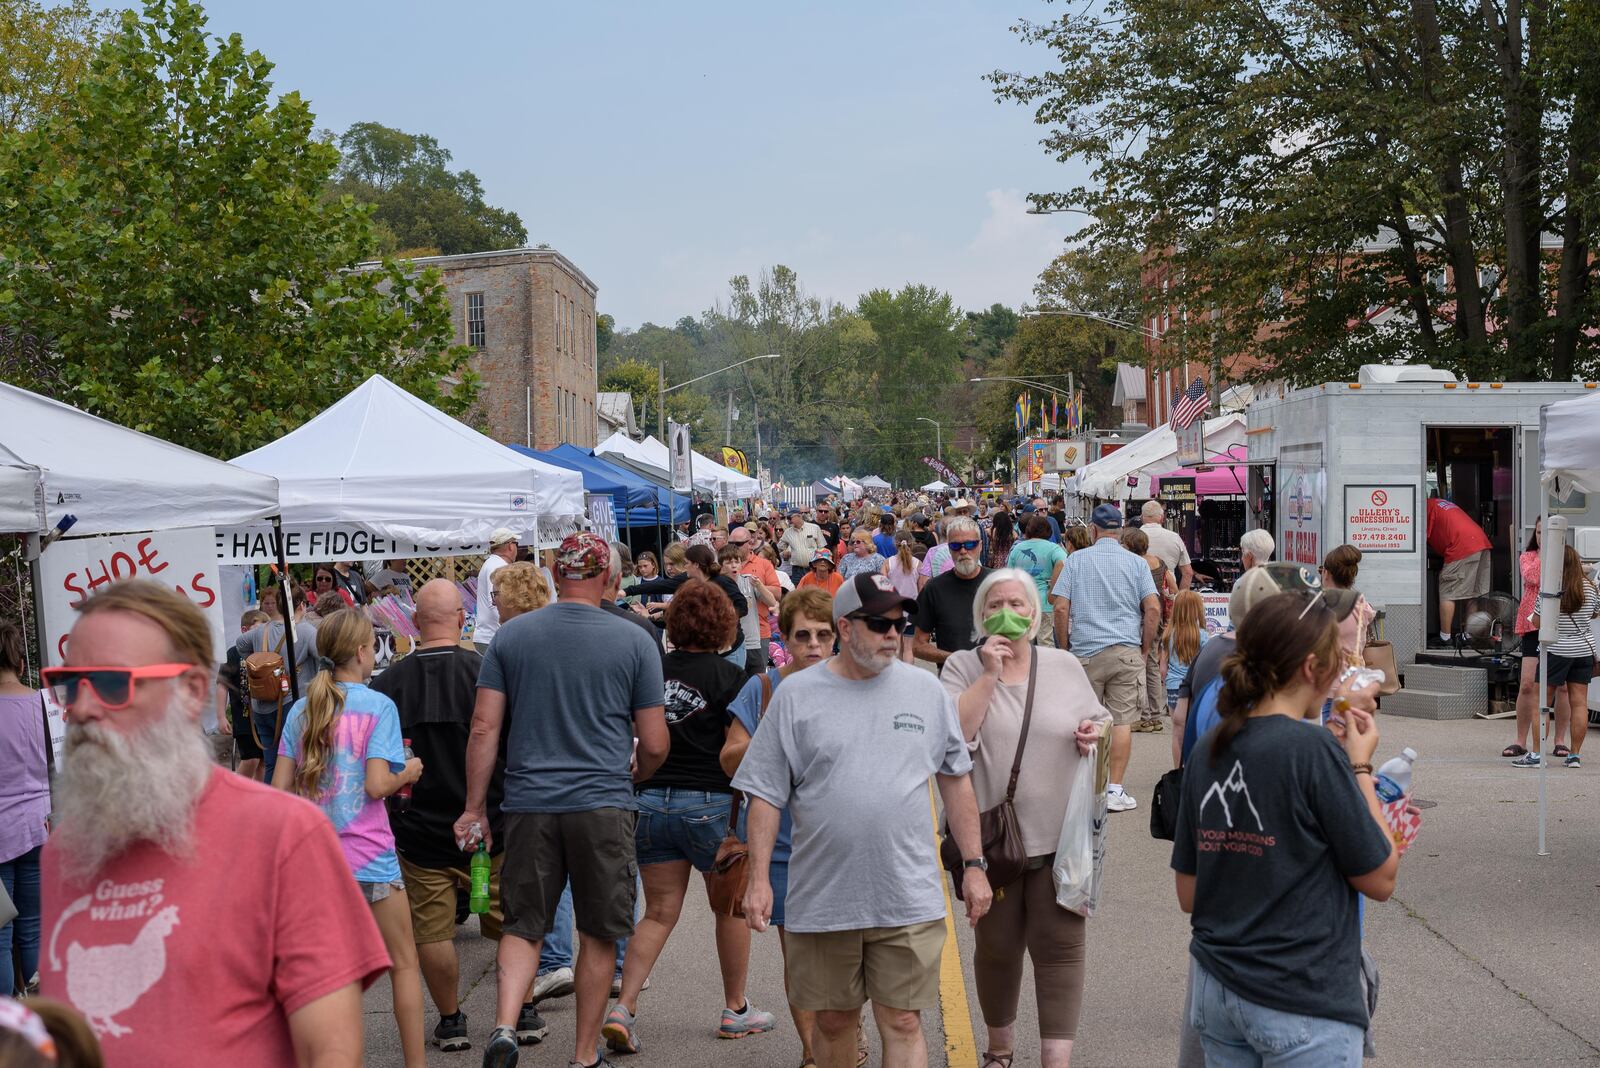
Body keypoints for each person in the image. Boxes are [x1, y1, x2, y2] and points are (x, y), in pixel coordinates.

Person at [39, 580, 389, 1065]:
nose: (80, 708)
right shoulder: (65, 851)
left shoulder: (283, 836)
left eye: (112, 684)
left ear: (191, 692)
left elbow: (329, 1051)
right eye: (68, 685)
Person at [735, 573, 993, 1068]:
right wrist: (759, 879)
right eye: (879, 622)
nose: (893, 632)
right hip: (824, 896)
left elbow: (955, 779)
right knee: (833, 1022)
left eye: (899, 622)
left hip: (907, 894)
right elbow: (765, 794)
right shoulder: (796, 696)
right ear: (845, 629)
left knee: (903, 1020)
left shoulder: (925, 691)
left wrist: (975, 865)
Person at [455, 533, 669, 1068]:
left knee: (524, 925)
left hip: (529, 802)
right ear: (609, 577)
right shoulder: (635, 640)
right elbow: (658, 741)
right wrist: (638, 771)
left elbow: (483, 728)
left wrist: (474, 807)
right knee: (598, 933)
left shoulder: (511, 636)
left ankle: (505, 1025)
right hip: (602, 801)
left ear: (554, 570)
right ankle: (582, 1055)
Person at [1172, 592, 1398, 1067]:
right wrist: (1359, 767)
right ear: (1312, 668)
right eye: (1336, 661)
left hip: (1219, 987)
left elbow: (1190, 893)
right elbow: (1380, 876)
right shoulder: (1314, 752)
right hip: (1300, 991)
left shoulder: (1212, 745)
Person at [370, 580, 547, 1052]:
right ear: (461, 618)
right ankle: (524, 1010)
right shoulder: (486, 671)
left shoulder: (386, 685)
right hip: (494, 823)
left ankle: (451, 1020)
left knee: (432, 928)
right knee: (513, 920)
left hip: (419, 827)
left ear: (414, 622)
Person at [941, 571, 1107, 1068]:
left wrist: (1091, 734)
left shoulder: (1063, 665)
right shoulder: (960, 667)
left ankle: (1055, 1059)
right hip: (990, 845)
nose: (1006, 610)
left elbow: (1099, 720)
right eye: (995, 603)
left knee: (1060, 952)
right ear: (980, 615)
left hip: (1060, 841)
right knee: (997, 950)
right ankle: (999, 1050)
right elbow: (954, 740)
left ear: (1035, 616)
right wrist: (990, 673)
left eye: (1017, 602)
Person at [602, 582, 777, 1055]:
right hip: (711, 806)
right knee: (729, 908)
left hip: (650, 800)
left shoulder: (650, 671)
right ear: (724, 626)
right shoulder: (732, 679)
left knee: (658, 912)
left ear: (674, 623)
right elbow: (735, 749)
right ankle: (735, 1008)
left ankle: (624, 1006)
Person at [271, 609, 427, 1068]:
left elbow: (277, 794)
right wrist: (410, 771)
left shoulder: (302, 708)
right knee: (402, 964)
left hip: (315, 864)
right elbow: (379, 786)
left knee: (326, 978)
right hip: (371, 859)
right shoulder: (379, 706)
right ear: (363, 653)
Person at [719, 589, 836, 1067]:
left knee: (848, 956)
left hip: (842, 846)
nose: (813, 644)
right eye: (802, 635)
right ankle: (815, 1054)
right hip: (784, 848)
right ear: (784, 639)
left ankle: (843, 1034)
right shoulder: (762, 688)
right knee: (803, 961)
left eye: (823, 635)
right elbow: (729, 760)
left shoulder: (855, 685)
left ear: (839, 638)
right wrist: (772, 736)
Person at [1050, 504, 1158, 813]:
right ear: (1121, 530)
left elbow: (1059, 607)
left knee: (1084, 721)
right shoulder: (1137, 564)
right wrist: (1145, 646)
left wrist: (1064, 646)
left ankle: (1082, 787)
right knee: (1121, 720)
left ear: (1093, 531)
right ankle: (1114, 788)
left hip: (1085, 650)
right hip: (1125, 650)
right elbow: (1152, 608)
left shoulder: (1076, 561)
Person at [1512, 545, 1597, 770]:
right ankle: (1575, 755)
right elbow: (1596, 613)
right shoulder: (1589, 588)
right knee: (1579, 703)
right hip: (1583, 651)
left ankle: (1538, 754)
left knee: (1542, 704)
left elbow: (1538, 623)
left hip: (1556, 651)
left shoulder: (1550, 590)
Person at [0, 623, 47, 999]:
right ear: (19, 658)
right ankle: (44, 1022)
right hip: (40, 827)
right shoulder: (45, 705)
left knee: (0, 935)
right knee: (32, 927)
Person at [236, 584, 319, 785]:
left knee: (272, 764)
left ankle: (270, 809)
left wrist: (258, 661)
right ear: (300, 605)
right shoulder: (305, 631)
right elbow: (326, 657)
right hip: (290, 704)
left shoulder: (260, 632)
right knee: (295, 763)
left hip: (261, 707)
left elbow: (239, 645)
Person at [1505, 521, 1563, 760]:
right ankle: (1520, 740)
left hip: (1560, 623)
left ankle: (1560, 741)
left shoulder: (1566, 557)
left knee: (1563, 687)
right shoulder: (1527, 557)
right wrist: (1548, 554)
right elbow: (1533, 578)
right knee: (1528, 683)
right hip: (1532, 624)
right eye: (1540, 532)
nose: (1543, 537)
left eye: (1548, 534)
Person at [914, 517, 992, 668]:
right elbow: (917, 645)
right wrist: (955, 659)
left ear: (980, 546)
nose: (963, 551)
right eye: (956, 546)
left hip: (997, 682)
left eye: (970, 544)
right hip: (953, 682)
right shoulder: (934, 589)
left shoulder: (998, 583)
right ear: (949, 548)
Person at [1425, 496, 1493, 646]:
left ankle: (1445, 638)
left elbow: (1420, 539)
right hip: (1481, 541)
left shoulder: (1422, 508)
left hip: (1461, 545)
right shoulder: (1437, 503)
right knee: (1472, 593)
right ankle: (1468, 637)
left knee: (1447, 591)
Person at [217, 609, 270, 781]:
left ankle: (258, 798)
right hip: (244, 716)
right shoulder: (233, 653)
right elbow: (222, 684)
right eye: (258, 630)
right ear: (245, 631)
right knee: (250, 759)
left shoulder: (266, 653)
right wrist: (221, 717)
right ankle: (234, 792)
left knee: (263, 760)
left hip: (263, 715)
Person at [1006, 516, 1068, 648]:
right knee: (1045, 642)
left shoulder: (1017, 549)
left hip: (1021, 602)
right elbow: (1063, 563)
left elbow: (1009, 576)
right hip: (1044, 603)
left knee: (1022, 643)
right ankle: (1045, 668)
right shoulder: (1054, 549)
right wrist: (1053, 587)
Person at [729, 527, 782, 674]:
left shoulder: (763, 564)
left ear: (749, 544)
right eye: (730, 543)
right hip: (731, 633)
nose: (733, 547)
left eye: (738, 544)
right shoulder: (723, 565)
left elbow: (777, 593)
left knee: (757, 680)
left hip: (759, 631)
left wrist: (754, 586)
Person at [1320, 545, 1376, 669]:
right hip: (1356, 678)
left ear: (1326, 573)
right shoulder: (1362, 606)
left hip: (1329, 680)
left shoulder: (1321, 607)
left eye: (1321, 570)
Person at [473, 529, 521, 653]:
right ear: (510, 546)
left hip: (489, 636)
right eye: (516, 544)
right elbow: (495, 602)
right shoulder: (497, 566)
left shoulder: (492, 563)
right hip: (492, 637)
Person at [1163, 591, 1208, 715]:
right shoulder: (1202, 635)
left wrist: (1165, 681)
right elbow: (1205, 664)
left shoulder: (1168, 634)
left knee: (1177, 728)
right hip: (1194, 687)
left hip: (1173, 686)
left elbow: (1163, 668)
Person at [884, 534, 922, 663]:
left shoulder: (888, 562)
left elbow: (882, 586)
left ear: (895, 545)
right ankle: (909, 676)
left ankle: (896, 675)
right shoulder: (917, 563)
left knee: (896, 648)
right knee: (908, 649)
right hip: (911, 609)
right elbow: (921, 588)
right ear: (912, 544)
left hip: (893, 609)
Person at [1140, 501, 1194, 590]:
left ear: (1142, 517)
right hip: (1168, 593)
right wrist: (1179, 600)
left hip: (1140, 594)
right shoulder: (1175, 538)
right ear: (1162, 518)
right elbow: (1188, 573)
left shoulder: (1131, 539)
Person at [780, 512, 827, 584]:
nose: (788, 520)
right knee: (797, 593)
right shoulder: (787, 532)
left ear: (799, 516)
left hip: (813, 568)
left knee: (813, 591)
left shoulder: (814, 528)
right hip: (797, 570)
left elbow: (822, 548)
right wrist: (785, 552)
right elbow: (780, 547)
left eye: (790, 518)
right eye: (787, 518)